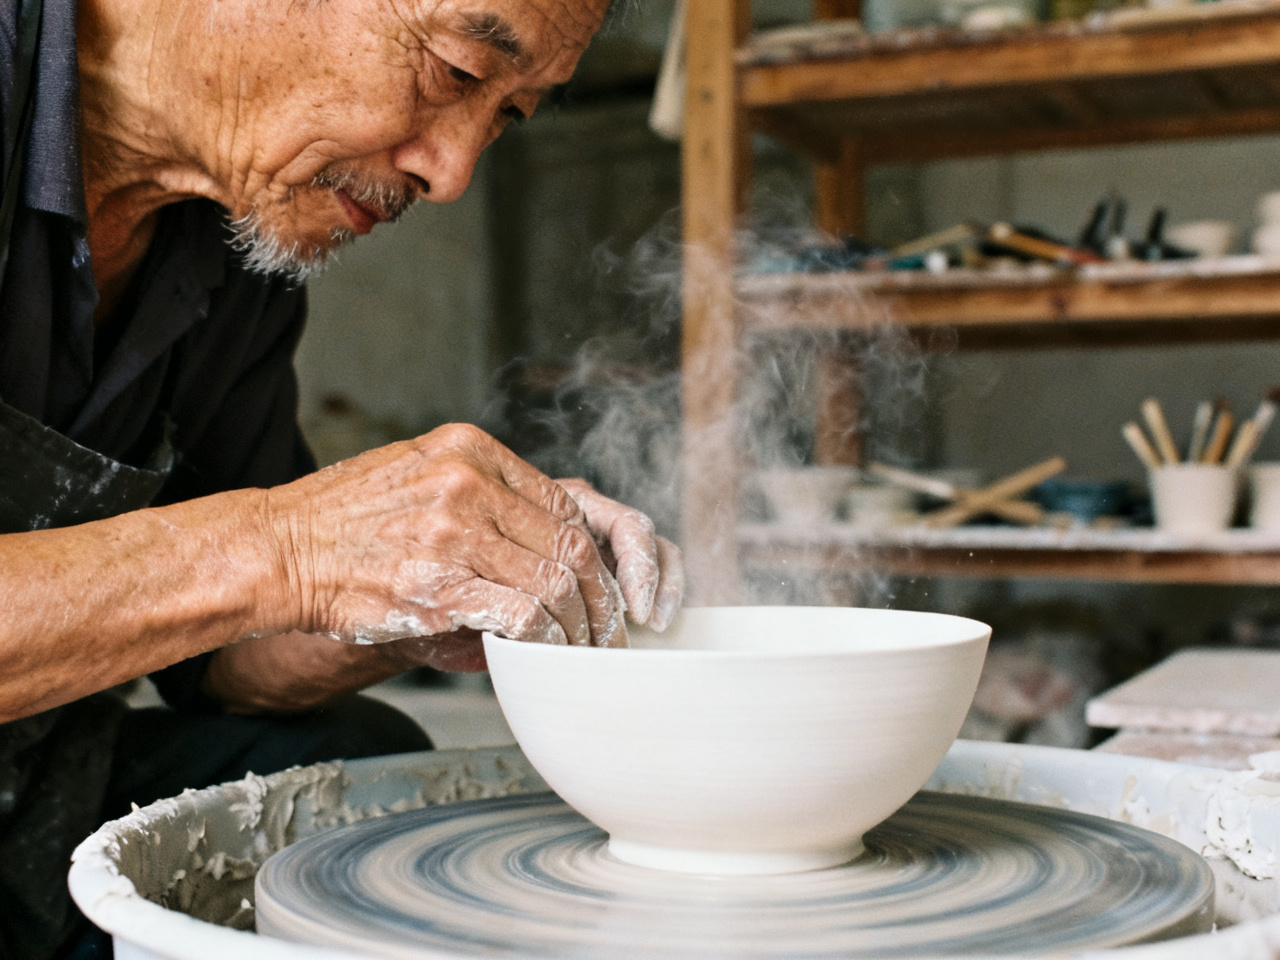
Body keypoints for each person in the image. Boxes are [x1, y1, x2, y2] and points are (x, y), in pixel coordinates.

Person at [0, 0, 684, 955]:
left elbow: (217, 669)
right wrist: (292, 547)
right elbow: (272, 563)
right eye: (456, 71)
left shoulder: (238, 249)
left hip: (31, 796)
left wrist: (411, 597)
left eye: (508, 117)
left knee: (352, 769)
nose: (451, 172)